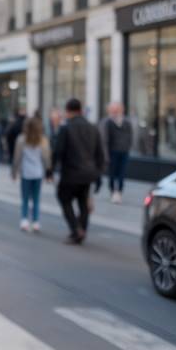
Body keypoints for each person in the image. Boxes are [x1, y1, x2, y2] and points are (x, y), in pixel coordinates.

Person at [53, 98, 106, 244]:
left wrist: (50, 170)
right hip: (88, 174)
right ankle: (81, 228)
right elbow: (100, 153)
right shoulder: (92, 127)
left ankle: (76, 229)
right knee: (83, 202)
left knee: (63, 198)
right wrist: (98, 174)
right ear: (81, 110)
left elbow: (58, 151)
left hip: (71, 173)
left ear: (68, 111)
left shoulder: (66, 128)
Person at [11, 116, 52, 232]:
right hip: (38, 173)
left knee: (25, 198)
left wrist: (14, 172)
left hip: (26, 173)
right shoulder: (43, 140)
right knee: (36, 198)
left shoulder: (21, 139)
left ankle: (24, 220)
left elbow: (17, 157)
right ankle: (36, 222)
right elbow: (46, 158)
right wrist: (49, 171)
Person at [100, 101, 132, 204]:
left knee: (122, 173)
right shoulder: (107, 122)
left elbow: (130, 136)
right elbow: (104, 139)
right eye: (113, 110)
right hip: (112, 152)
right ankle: (113, 192)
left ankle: (119, 192)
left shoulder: (126, 122)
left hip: (124, 151)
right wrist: (105, 155)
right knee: (112, 173)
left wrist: (127, 147)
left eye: (117, 110)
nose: (115, 112)